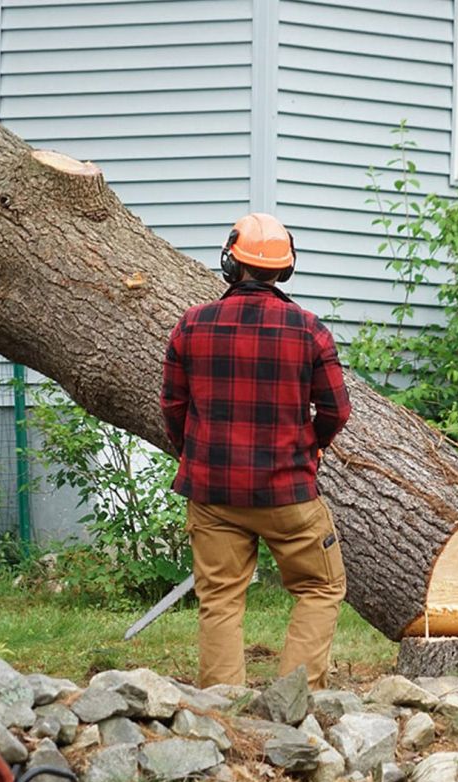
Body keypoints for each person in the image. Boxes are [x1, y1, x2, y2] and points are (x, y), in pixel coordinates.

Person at [160, 212, 352, 690]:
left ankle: (221, 710)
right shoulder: (309, 331)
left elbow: (173, 406)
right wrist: (312, 445)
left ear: (231, 261)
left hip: (212, 493)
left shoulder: (191, 325)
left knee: (220, 598)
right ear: (285, 269)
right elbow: (336, 411)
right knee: (321, 586)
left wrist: (198, 455)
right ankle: (296, 699)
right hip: (287, 492)